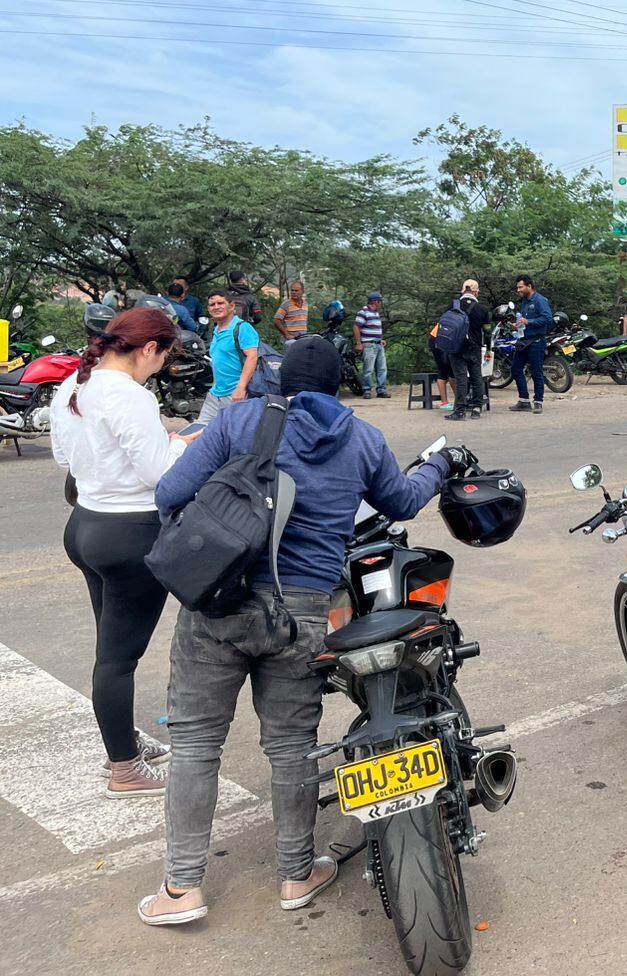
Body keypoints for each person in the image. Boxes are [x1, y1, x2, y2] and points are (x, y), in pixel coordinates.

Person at [140, 337, 460, 928]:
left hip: (216, 604)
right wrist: (439, 466)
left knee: (195, 746)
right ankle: (295, 873)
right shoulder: (362, 438)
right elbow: (402, 501)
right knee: (289, 745)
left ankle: (182, 887)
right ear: (340, 383)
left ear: (281, 382)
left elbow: (168, 493)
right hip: (303, 612)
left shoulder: (239, 421)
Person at [52, 308, 196, 798]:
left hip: (86, 526)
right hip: (131, 534)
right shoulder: (129, 395)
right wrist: (177, 445)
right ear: (149, 348)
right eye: (162, 357)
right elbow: (161, 475)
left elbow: (64, 458)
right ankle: (125, 769)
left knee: (108, 649)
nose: (159, 369)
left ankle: (122, 739)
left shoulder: (75, 382)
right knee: (118, 660)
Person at [198, 291, 259, 424]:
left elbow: (252, 357)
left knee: (231, 437)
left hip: (235, 394)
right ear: (208, 309)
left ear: (231, 307)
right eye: (212, 304)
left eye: (221, 303)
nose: (216, 307)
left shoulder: (242, 328)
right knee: (200, 431)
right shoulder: (216, 330)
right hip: (215, 393)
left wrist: (241, 388)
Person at [445, 279, 489, 421]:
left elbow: (445, 325)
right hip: (475, 347)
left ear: (462, 290)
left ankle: (460, 411)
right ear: (476, 292)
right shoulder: (482, 309)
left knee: (461, 378)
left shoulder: (453, 305)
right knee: (477, 377)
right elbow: (487, 331)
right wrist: (487, 347)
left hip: (456, 347)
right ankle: (476, 408)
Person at [510, 273, 552, 413]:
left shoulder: (540, 300)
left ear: (529, 286)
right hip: (524, 341)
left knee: (536, 372)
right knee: (516, 369)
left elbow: (547, 318)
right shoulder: (525, 301)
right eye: (518, 288)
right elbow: (524, 320)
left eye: (521, 287)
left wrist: (529, 322)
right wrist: (518, 325)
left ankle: (538, 402)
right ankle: (524, 401)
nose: (518, 290)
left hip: (537, 341)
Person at [352, 292, 389, 400]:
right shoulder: (363, 312)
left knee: (382, 368)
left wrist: (380, 339)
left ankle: (382, 390)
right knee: (368, 369)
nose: (381, 303)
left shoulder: (376, 313)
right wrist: (359, 343)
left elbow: (374, 329)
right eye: (380, 301)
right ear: (375, 301)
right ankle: (367, 390)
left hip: (378, 344)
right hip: (369, 344)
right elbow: (356, 327)